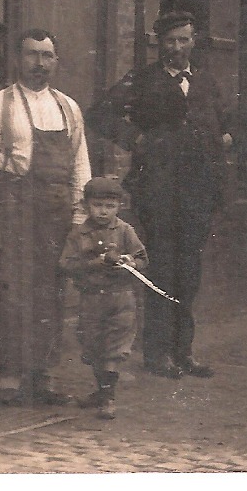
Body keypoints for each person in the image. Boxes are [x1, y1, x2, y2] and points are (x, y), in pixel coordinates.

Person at [88, 8, 233, 380]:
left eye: (184, 39)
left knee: (189, 272)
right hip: (159, 192)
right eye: (170, 41)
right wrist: (137, 140)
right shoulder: (142, 80)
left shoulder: (205, 82)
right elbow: (100, 114)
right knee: (162, 270)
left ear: (193, 40)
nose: (177, 47)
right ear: (159, 43)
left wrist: (220, 144)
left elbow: (228, 122)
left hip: (198, 193)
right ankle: (157, 354)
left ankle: (184, 351)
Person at [0, 29, 92, 405]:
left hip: (57, 216)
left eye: (47, 56)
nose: (39, 64)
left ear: (56, 61)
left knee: (50, 295)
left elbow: (80, 167)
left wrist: (79, 218)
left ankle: (44, 374)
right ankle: (8, 375)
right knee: (11, 292)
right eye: (32, 55)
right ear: (18, 59)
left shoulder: (68, 108)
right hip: (14, 211)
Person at [59, 177, 149, 420]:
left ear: (118, 207)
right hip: (91, 299)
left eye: (110, 206)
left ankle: (108, 397)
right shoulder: (78, 234)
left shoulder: (125, 231)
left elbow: (143, 259)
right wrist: (95, 263)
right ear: (87, 205)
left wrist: (130, 262)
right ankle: (101, 391)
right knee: (93, 346)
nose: (103, 211)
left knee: (114, 348)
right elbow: (66, 265)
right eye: (98, 205)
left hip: (120, 299)